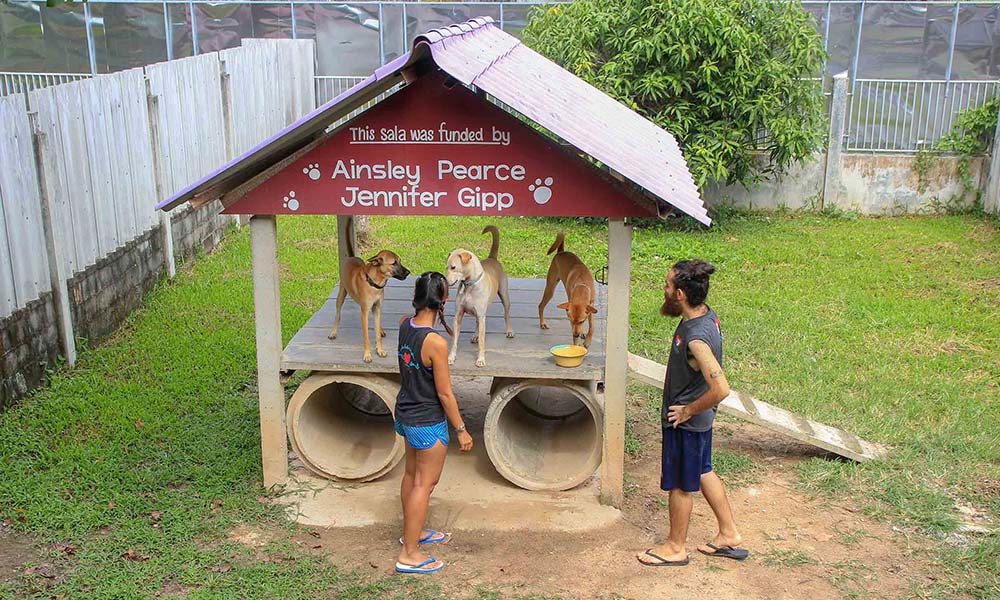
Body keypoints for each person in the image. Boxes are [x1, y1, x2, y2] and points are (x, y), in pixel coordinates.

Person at [637, 260, 748, 567]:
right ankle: (729, 533)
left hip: (686, 423)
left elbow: (721, 388)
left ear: (681, 294)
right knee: (702, 471)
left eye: (669, 285)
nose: (665, 288)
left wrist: (687, 410)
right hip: (701, 422)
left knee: (680, 484)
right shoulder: (705, 315)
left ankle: (675, 547)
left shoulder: (696, 340)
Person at [394, 271, 474, 574]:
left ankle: (412, 533)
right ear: (444, 300)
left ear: (416, 297)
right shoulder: (436, 343)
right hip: (427, 421)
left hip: (405, 414)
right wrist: (461, 430)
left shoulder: (405, 325)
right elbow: (445, 394)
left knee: (412, 476)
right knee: (425, 485)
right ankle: (409, 553)